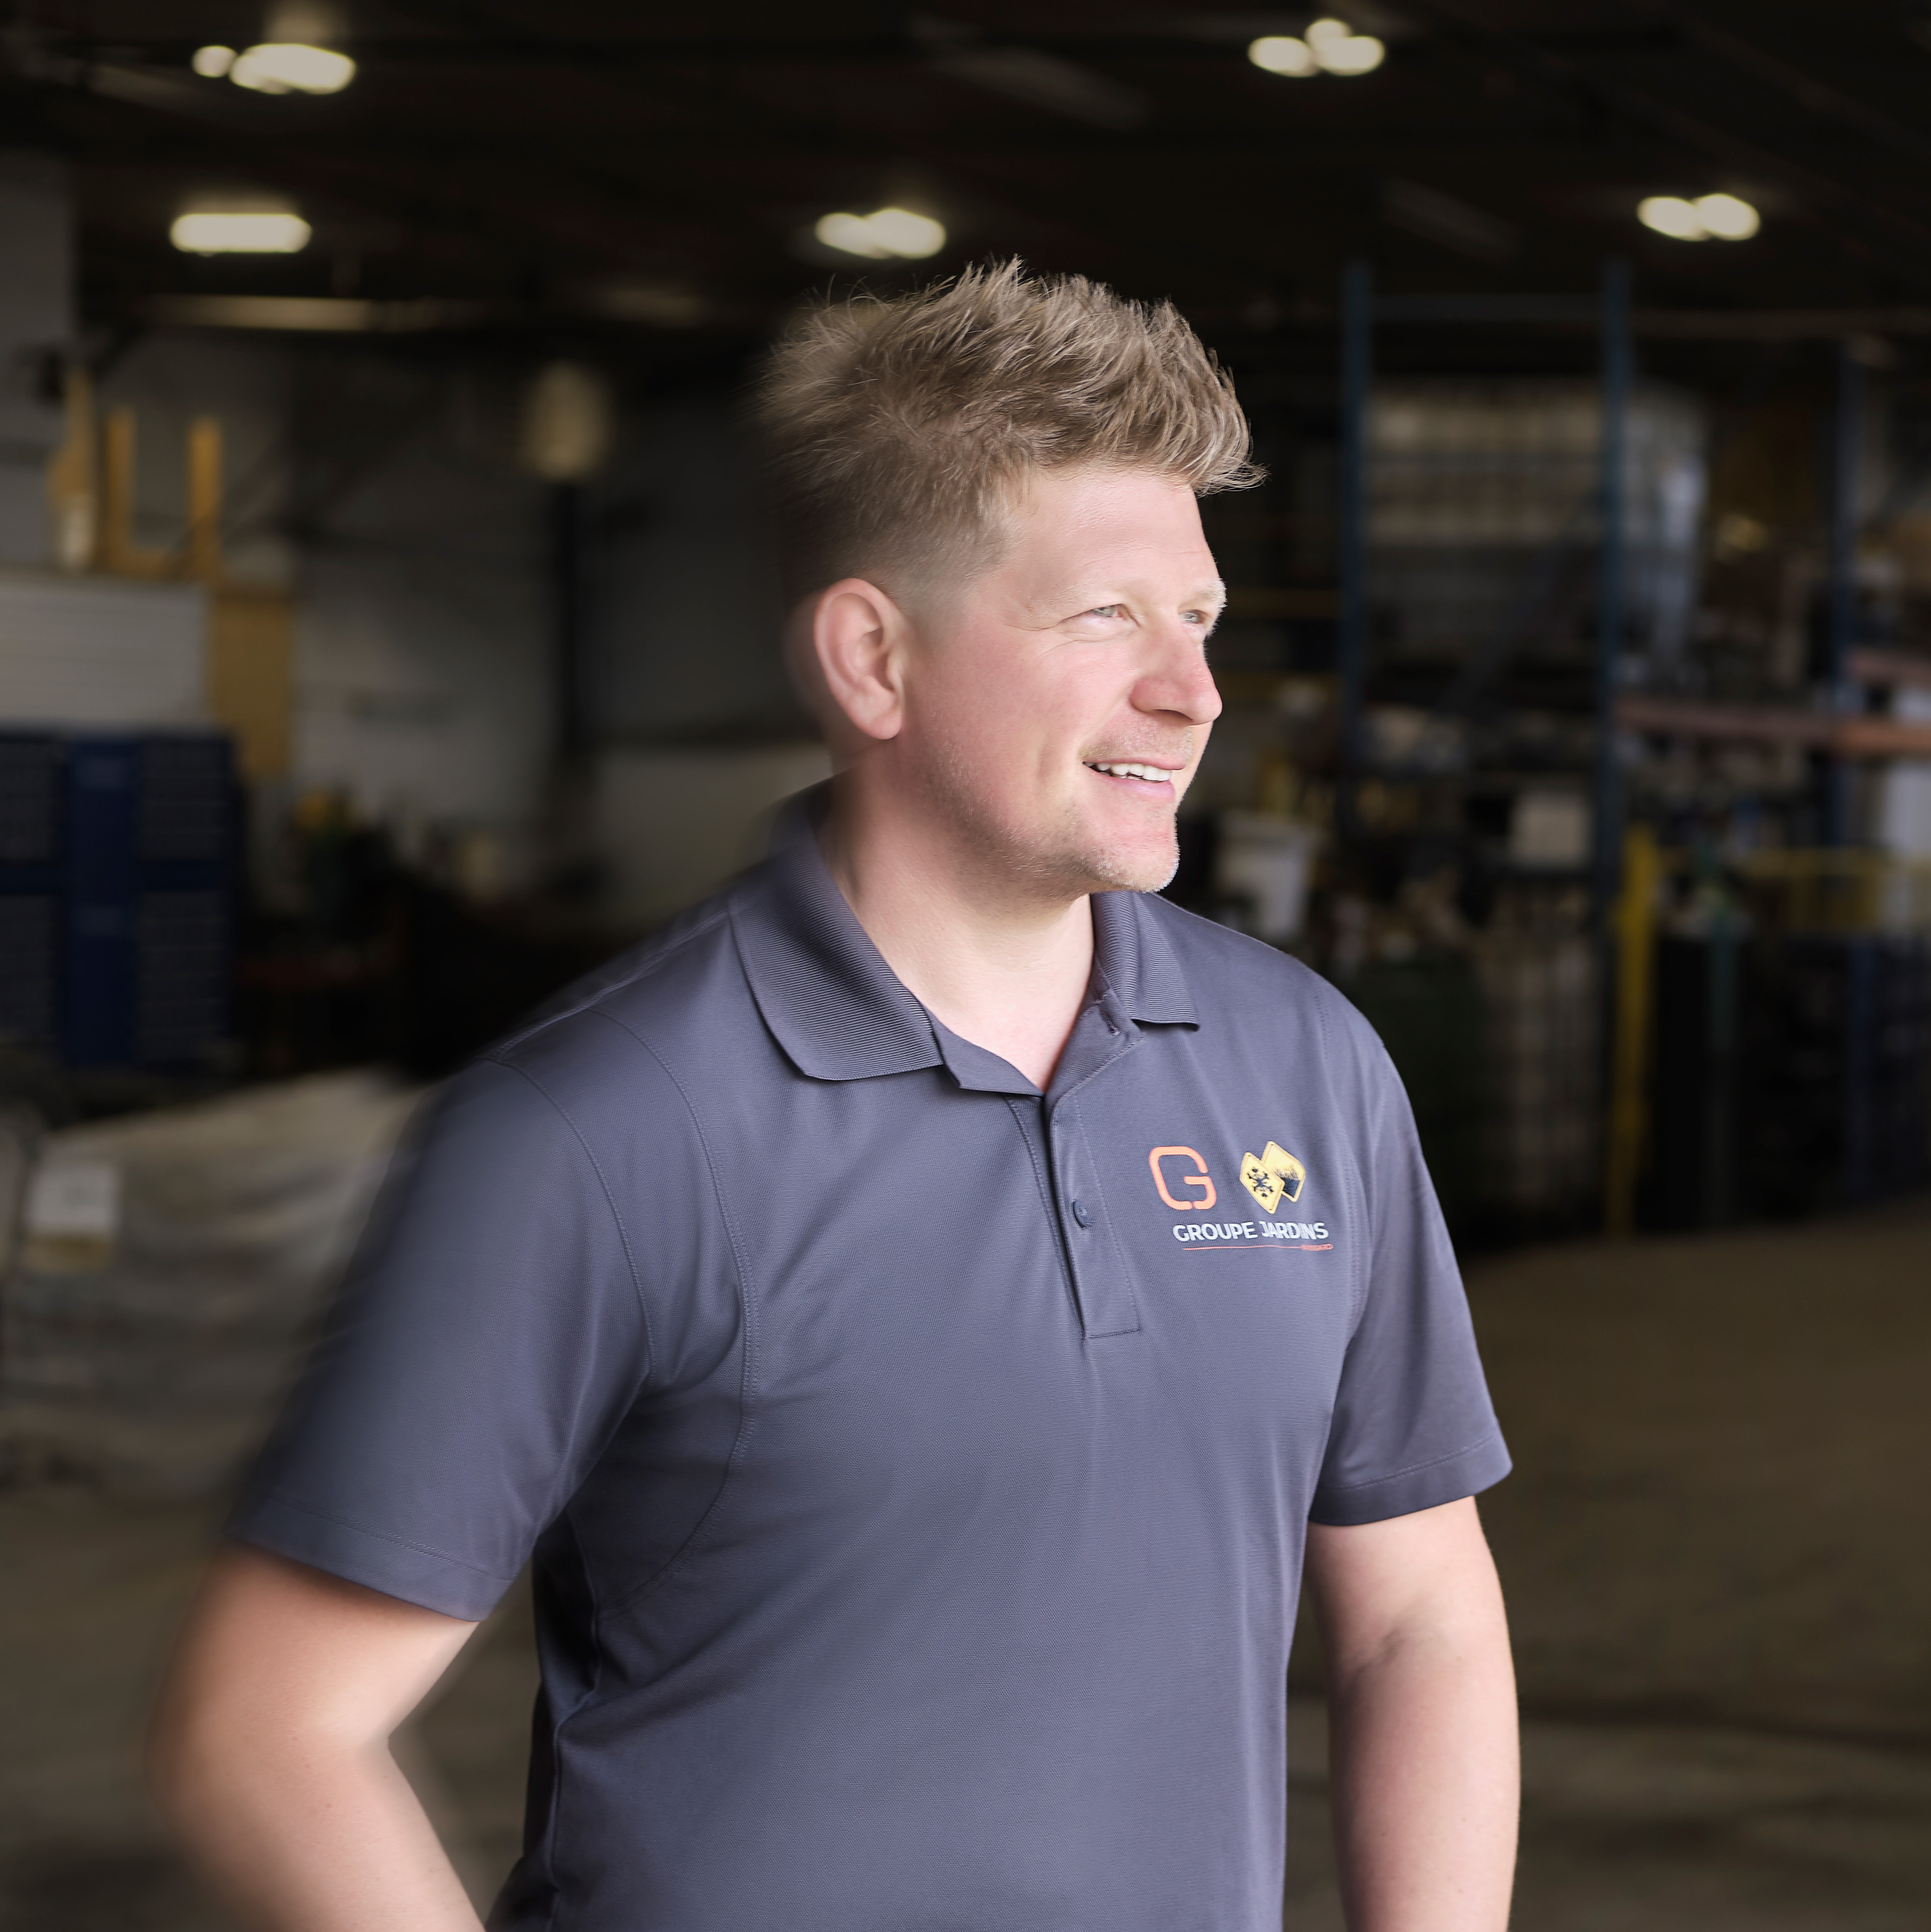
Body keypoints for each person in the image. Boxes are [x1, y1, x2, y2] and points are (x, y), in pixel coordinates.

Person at [150, 261, 1518, 1932]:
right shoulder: (600, 1131)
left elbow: (1419, 1614)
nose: (1194, 691)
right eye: (1108, 617)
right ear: (872, 657)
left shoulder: (1307, 1067)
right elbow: (270, 1731)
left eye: (1201, 620)